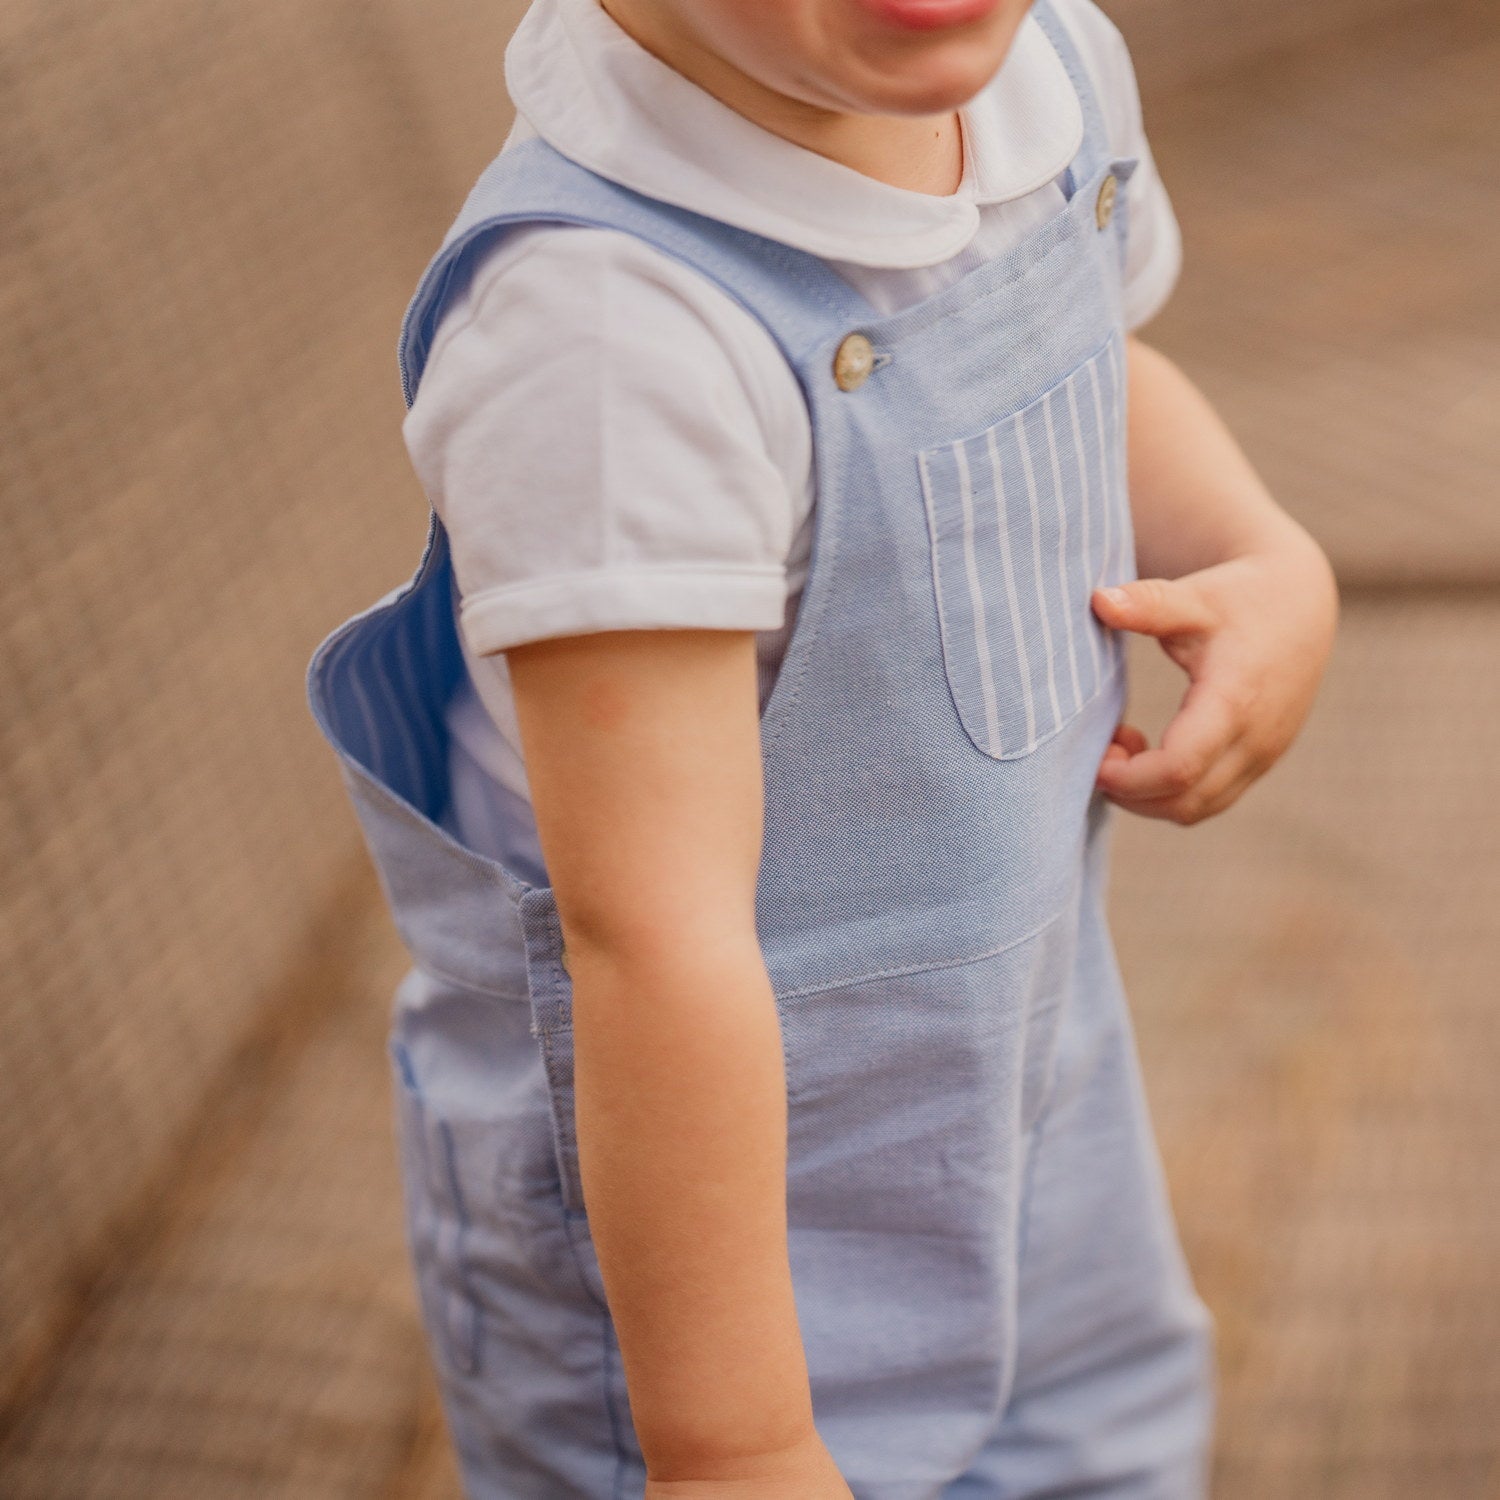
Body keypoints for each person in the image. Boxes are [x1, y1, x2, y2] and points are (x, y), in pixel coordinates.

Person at [307, 0, 1339, 1494]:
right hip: (709, 1270)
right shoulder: (613, 341)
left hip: (1025, 1103)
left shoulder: (1043, 73)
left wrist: (1260, 549)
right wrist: (736, 1448)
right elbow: (651, 940)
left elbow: (1095, 359)